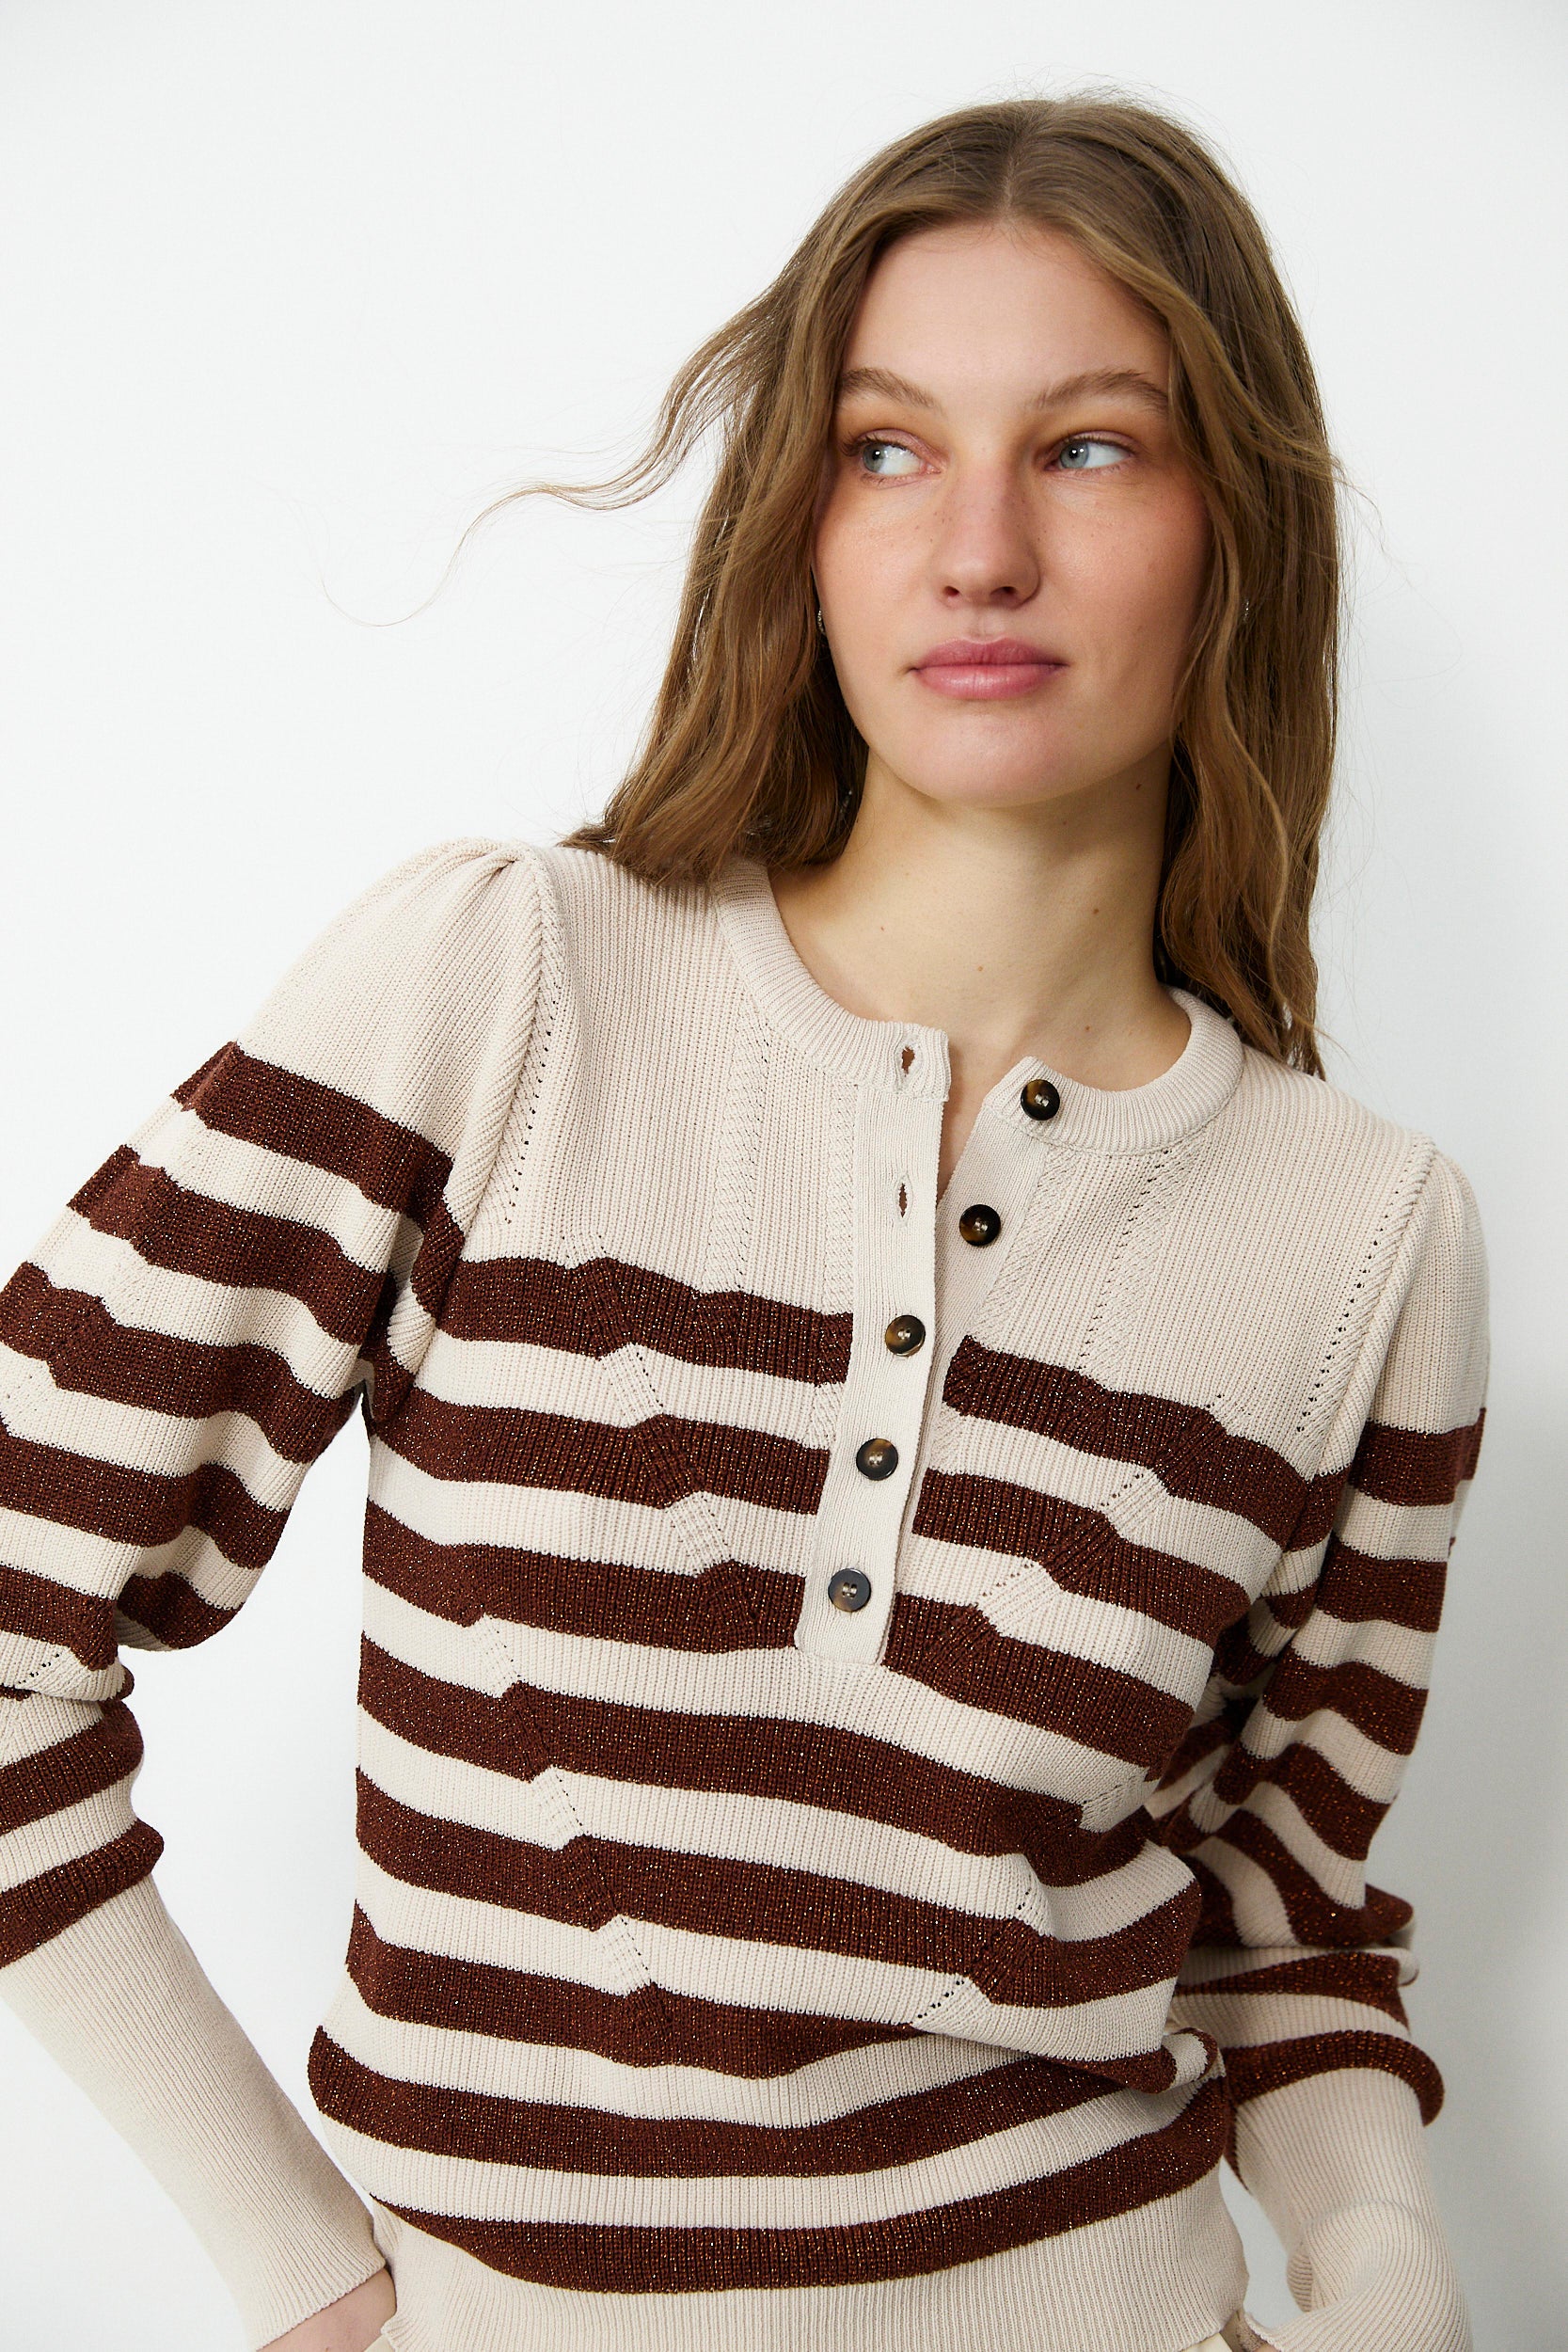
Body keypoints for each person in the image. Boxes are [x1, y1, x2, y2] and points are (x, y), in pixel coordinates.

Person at [0, 91, 1485, 2352]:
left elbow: (1277, 1926)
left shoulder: (1366, 1238)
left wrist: (1386, 2262)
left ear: (1235, 524)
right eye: (890, 449)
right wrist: (304, 2270)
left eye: (1089, 447)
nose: (978, 547)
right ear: (801, 516)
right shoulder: (505, 992)